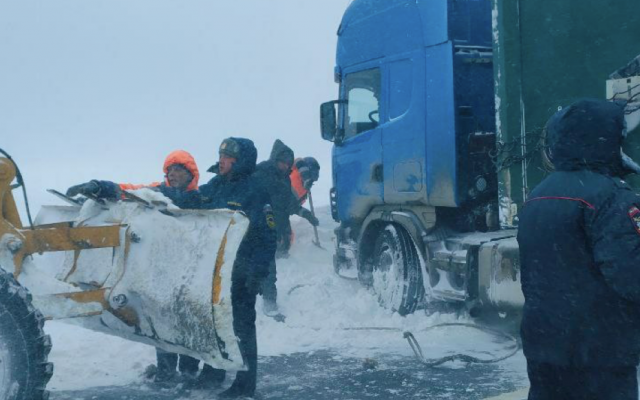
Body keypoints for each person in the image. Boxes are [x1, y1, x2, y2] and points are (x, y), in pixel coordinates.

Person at [517, 98, 640, 400]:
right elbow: (630, 275)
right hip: (601, 351)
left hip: (543, 343)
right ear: (603, 140)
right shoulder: (612, 196)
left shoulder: (537, 195)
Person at [66, 150, 201, 383]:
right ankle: (167, 372)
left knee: (189, 320)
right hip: (163, 269)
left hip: (192, 273)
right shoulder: (156, 193)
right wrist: (99, 188)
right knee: (162, 321)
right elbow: (127, 191)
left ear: (191, 174)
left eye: (179, 170)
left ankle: (189, 372)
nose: (173, 174)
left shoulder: (201, 199)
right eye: (170, 170)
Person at [198, 137, 277, 398]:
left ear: (240, 160)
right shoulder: (216, 185)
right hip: (216, 271)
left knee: (241, 328)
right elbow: (190, 203)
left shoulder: (256, 190)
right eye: (220, 154)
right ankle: (214, 371)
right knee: (213, 322)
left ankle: (244, 384)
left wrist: (257, 273)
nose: (221, 160)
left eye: (227, 156)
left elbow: (267, 236)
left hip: (243, 272)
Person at [252, 141, 318, 314]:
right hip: (257, 229)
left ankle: (267, 307)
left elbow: (290, 205)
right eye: (282, 161)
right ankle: (265, 308)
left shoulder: (284, 180)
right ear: (275, 159)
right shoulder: (261, 174)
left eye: (288, 163)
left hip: (273, 231)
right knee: (261, 271)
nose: (285, 165)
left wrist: (306, 214)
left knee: (267, 272)